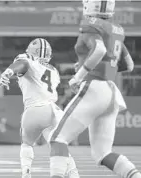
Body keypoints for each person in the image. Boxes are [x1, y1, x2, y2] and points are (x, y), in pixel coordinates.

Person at [49, 0, 141, 178]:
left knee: (57, 138)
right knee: (103, 153)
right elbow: (128, 65)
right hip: (111, 91)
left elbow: (98, 50)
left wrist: (79, 76)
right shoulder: (116, 30)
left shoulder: (91, 25)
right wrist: (89, 65)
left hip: (94, 87)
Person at [0, 38, 79, 178]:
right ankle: (73, 174)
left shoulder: (27, 59)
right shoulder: (53, 70)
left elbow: (22, 64)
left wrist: (8, 72)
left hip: (35, 110)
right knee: (60, 146)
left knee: (27, 144)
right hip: (54, 111)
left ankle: (26, 173)